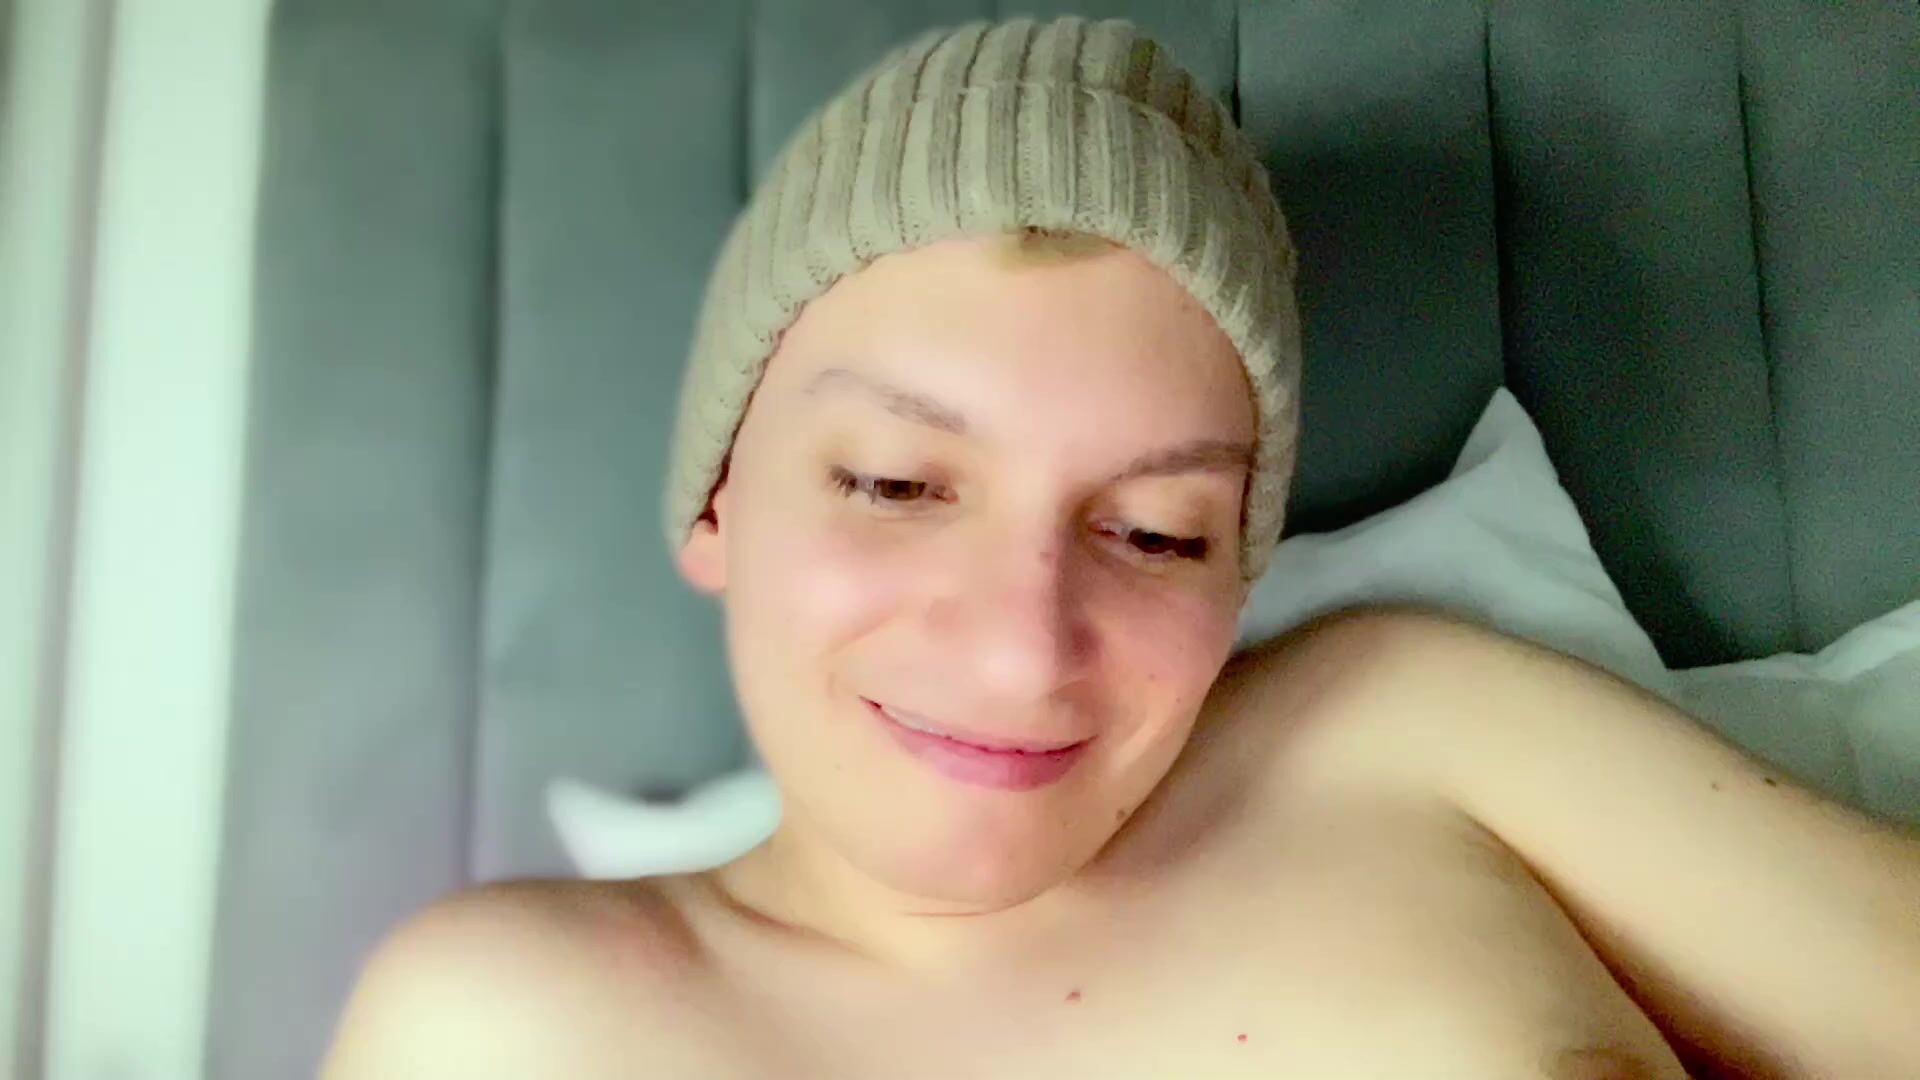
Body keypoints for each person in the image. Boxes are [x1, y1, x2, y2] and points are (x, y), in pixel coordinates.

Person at [318, 15, 1920, 1080]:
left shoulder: (1407, 722)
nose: (1025, 647)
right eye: (896, 483)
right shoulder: (509, 1022)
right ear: (719, 505)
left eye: (1156, 532)